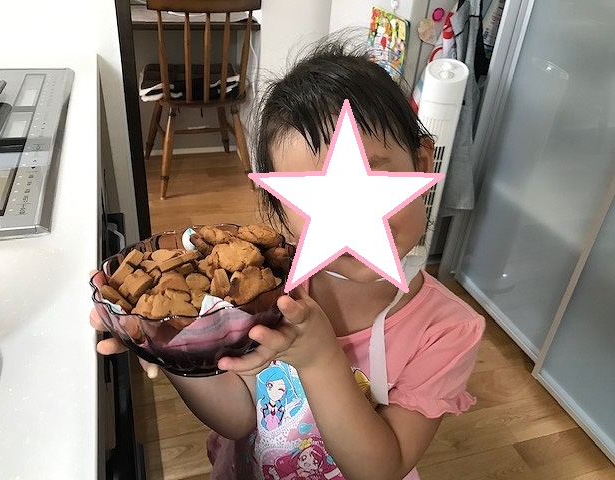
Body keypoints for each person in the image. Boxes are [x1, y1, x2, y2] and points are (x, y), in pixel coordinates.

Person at [90, 36, 485, 480]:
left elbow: (381, 469)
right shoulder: (262, 288)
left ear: (421, 163)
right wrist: (170, 345)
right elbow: (238, 417)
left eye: (374, 174)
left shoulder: (447, 331)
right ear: (280, 209)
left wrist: (320, 359)